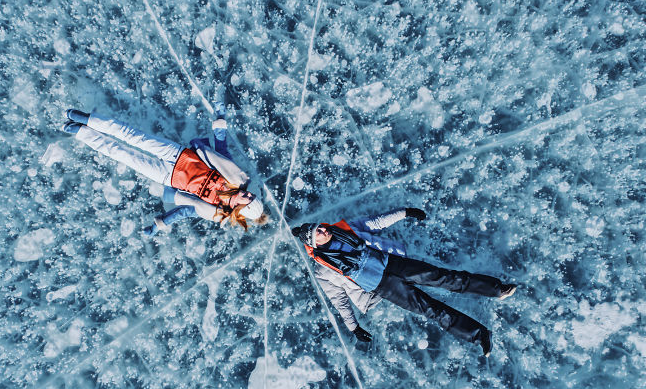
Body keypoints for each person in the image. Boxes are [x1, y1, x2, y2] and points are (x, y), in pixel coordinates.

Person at [292, 208, 516, 356]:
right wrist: (354, 327)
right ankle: (480, 335)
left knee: (445, 277)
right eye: (317, 233)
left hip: (393, 264)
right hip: (383, 287)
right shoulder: (324, 271)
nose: (322, 229)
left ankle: (497, 289)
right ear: (313, 244)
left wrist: (405, 212)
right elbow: (338, 299)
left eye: (319, 226)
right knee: (432, 310)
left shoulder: (346, 229)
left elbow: (376, 222)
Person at [62, 104, 268, 234]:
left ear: (241, 209)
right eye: (252, 195)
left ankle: (81, 132)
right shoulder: (237, 179)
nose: (248, 194)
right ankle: (88, 118)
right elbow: (222, 151)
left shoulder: (217, 213)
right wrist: (220, 121)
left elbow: (187, 211)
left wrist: (159, 224)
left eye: (248, 199)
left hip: (167, 176)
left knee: (121, 153)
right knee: (131, 135)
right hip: (178, 155)